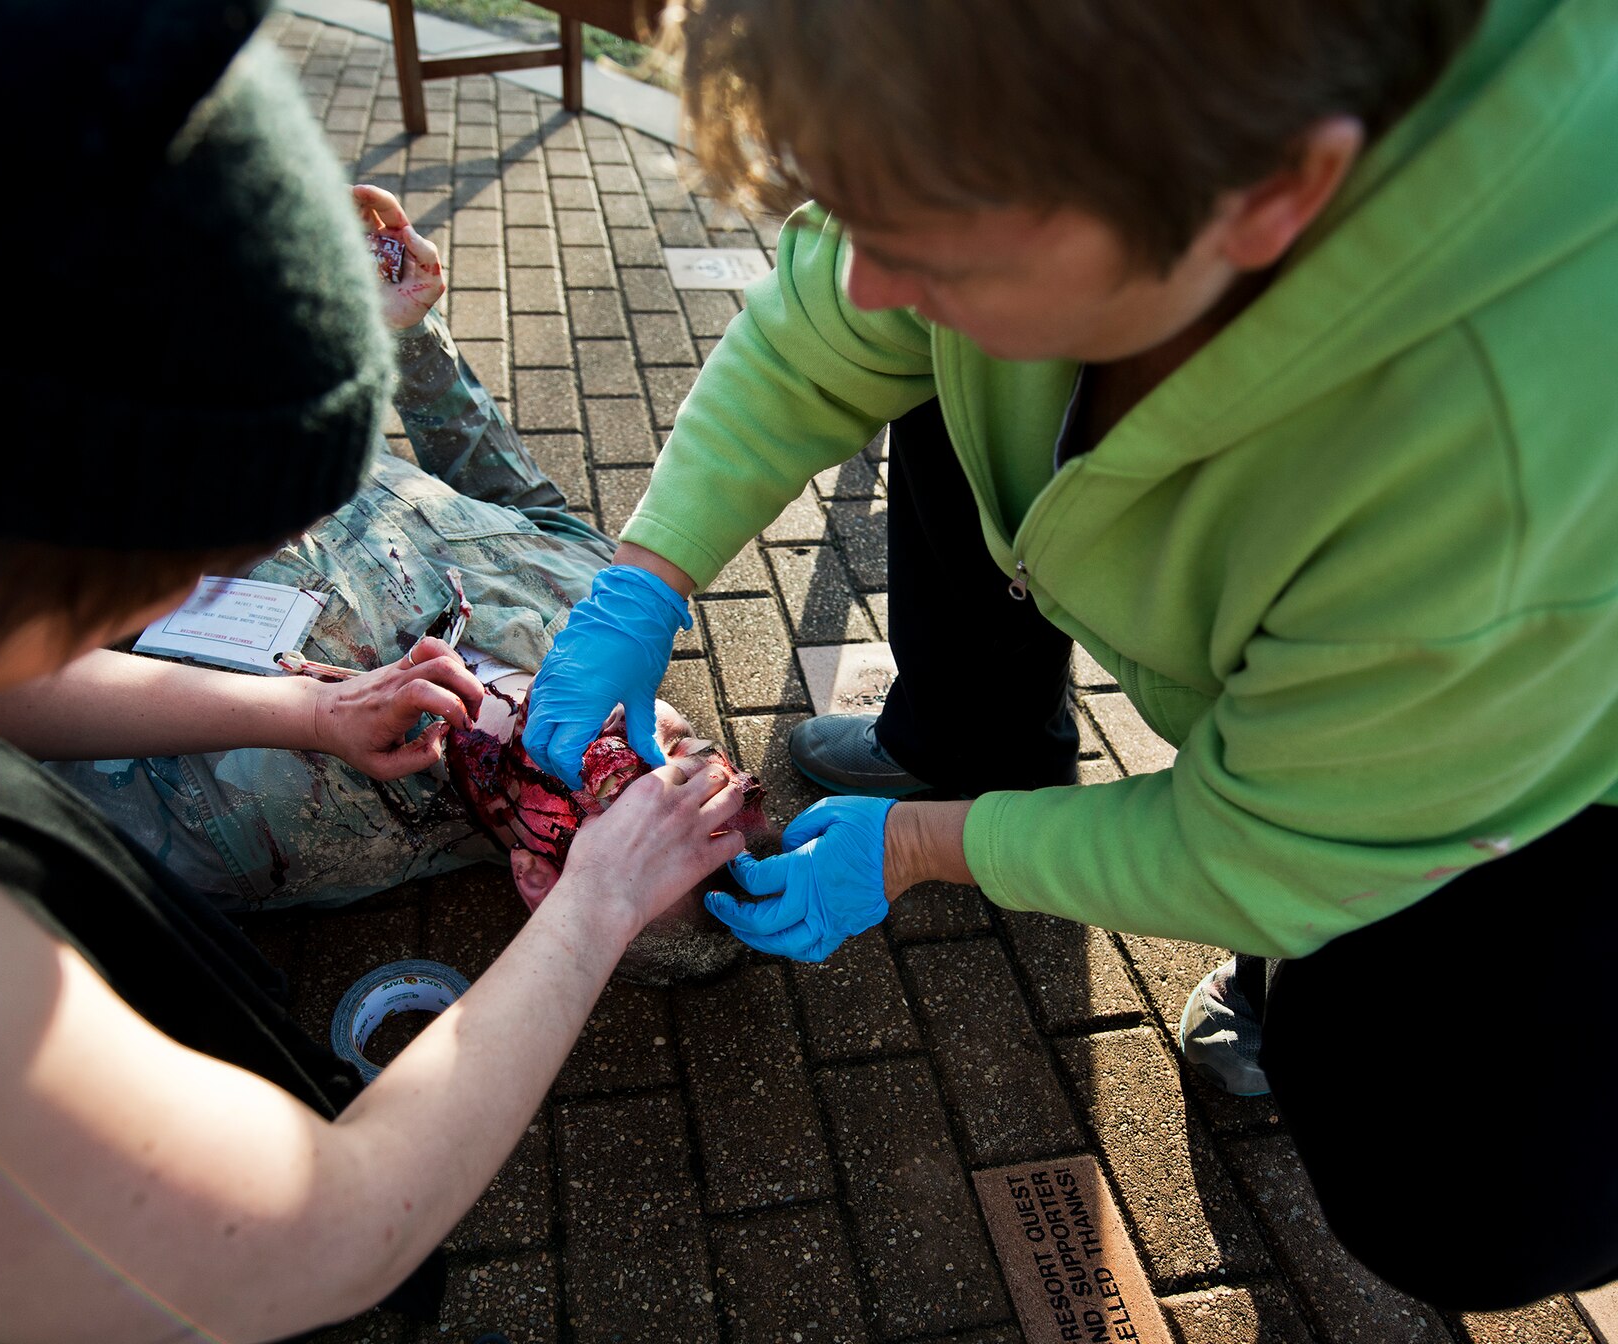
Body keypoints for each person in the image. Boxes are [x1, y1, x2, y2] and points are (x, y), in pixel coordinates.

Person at [0, 2, 746, 1340]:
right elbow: (315, 1239)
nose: (622, 744)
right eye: (177, 562)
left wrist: (316, 722)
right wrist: (399, 340)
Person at [522, 0, 1618, 1311]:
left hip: (1540, 742)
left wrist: (924, 844)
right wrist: (643, 579)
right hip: (1373, 681)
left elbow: (1260, 851)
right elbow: (827, 321)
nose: (866, 275)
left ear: (1272, 192)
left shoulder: (1497, 469)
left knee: (1467, 1207)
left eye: (940, 243)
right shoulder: (1066, 152)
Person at [40, 187, 766, 983]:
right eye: (684, 751)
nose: (626, 743)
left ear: (540, 879)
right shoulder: (606, 615)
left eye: (618, 803)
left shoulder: (258, 837)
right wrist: (408, 333)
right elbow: (522, 503)